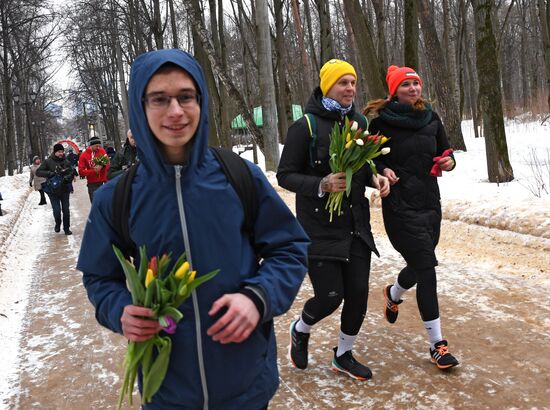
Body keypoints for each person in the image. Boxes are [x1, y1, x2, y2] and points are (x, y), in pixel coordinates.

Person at [77, 49, 309, 409]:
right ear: (140, 107)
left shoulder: (239, 176)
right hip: (167, 390)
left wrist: (257, 297)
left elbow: (290, 247)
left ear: (201, 101)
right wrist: (119, 309)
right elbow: (97, 276)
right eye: (159, 99)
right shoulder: (116, 197)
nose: (175, 111)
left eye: (186, 96)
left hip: (246, 385)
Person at [277, 58, 390, 380]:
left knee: (357, 296)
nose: (350, 88)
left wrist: (376, 177)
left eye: (353, 82)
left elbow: (364, 165)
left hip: (356, 226)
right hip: (318, 227)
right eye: (343, 82)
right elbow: (285, 176)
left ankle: (343, 354)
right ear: (328, 86)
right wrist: (321, 185)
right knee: (330, 297)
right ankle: (301, 328)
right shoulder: (305, 127)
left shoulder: (359, 124)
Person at [365, 65, 459, 370]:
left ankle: (393, 293)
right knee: (427, 269)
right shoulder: (379, 124)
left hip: (430, 204)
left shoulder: (431, 118)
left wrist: (449, 162)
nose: (413, 89)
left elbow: (448, 153)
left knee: (422, 264)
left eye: (416, 83)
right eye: (405, 84)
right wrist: (380, 170)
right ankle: (438, 346)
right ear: (394, 90)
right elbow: (368, 161)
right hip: (399, 207)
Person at [36, 144, 75, 235]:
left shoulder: (66, 161)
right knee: (57, 210)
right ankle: (58, 223)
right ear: (55, 152)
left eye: (62, 151)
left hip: (65, 189)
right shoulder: (48, 161)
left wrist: (67, 177)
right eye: (59, 152)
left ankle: (66, 228)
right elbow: (38, 172)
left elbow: (72, 172)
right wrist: (51, 173)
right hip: (52, 190)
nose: (61, 153)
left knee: (66, 210)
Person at [78, 136, 110, 202]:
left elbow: (108, 164)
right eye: (96, 146)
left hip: (104, 181)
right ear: (91, 145)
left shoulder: (102, 151)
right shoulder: (83, 155)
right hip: (92, 184)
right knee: (95, 204)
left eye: (99, 146)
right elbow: (81, 171)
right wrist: (93, 171)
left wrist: (102, 166)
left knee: (106, 203)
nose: (98, 148)